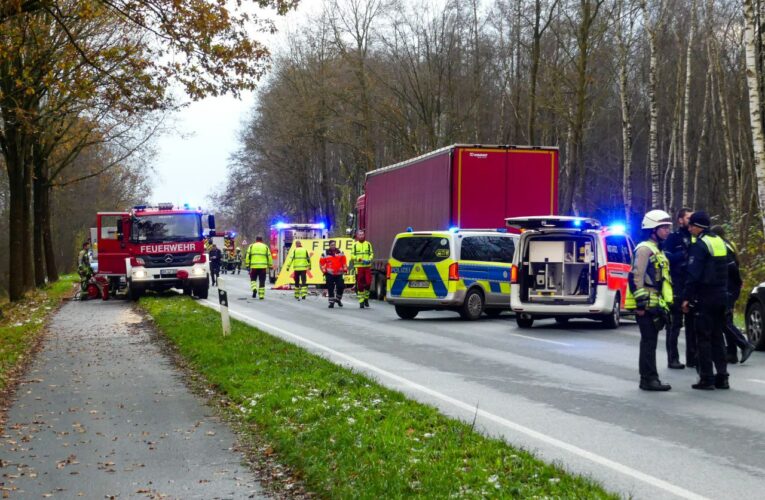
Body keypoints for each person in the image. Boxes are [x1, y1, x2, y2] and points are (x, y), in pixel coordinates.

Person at [626, 209, 674, 391]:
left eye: (668, 227)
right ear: (653, 229)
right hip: (645, 305)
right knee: (648, 342)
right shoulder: (645, 249)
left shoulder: (656, 249)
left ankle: (649, 378)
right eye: (663, 228)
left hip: (654, 303)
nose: (667, 231)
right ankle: (648, 379)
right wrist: (640, 304)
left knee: (650, 342)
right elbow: (636, 276)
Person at [682, 211, 730, 390]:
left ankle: (706, 378)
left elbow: (693, 274)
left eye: (691, 226)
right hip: (721, 295)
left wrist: (686, 297)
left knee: (703, 337)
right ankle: (723, 376)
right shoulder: (719, 242)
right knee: (718, 336)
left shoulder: (700, 245)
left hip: (706, 296)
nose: (689, 229)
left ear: (697, 227)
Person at [710, 225, 756, 364]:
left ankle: (744, 344)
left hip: (728, 287)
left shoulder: (722, 246)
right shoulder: (730, 245)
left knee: (724, 320)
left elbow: (731, 267)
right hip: (731, 286)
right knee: (726, 317)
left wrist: (737, 282)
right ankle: (731, 353)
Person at [663, 207, 693, 369]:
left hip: (691, 286)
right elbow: (666, 258)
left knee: (693, 325)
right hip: (676, 285)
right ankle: (672, 358)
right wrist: (684, 255)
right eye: (688, 217)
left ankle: (692, 357)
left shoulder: (695, 237)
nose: (691, 220)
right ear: (680, 220)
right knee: (674, 325)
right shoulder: (673, 238)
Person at [320, 240, 347, 309]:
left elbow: (344, 262)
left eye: (334, 245)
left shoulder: (340, 252)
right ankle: (331, 302)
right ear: (329, 245)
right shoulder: (325, 253)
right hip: (329, 273)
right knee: (330, 288)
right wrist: (324, 271)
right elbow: (321, 263)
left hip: (339, 273)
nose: (333, 246)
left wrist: (345, 269)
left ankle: (338, 299)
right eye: (332, 245)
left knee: (341, 286)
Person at [351, 230, 375, 308]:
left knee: (368, 283)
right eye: (360, 235)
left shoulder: (368, 244)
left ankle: (366, 298)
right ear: (357, 236)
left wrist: (369, 259)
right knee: (360, 284)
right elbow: (352, 256)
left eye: (362, 234)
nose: (361, 236)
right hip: (359, 267)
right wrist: (359, 259)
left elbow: (371, 253)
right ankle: (361, 301)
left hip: (367, 266)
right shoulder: (355, 245)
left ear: (364, 235)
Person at [245, 236, 273, 300]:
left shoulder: (251, 246)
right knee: (262, 281)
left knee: (253, 279)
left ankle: (254, 289)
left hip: (254, 267)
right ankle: (261, 296)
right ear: (262, 240)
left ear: (256, 240)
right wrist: (270, 265)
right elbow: (269, 256)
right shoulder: (265, 247)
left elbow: (247, 256)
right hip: (263, 268)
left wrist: (247, 265)